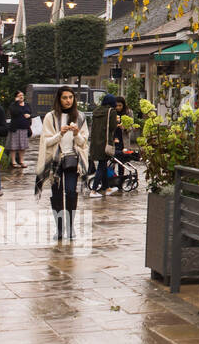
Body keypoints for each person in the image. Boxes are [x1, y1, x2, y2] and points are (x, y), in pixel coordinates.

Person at [35, 87, 89, 241]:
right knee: (57, 194)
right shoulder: (50, 117)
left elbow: (83, 142)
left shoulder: (80, 117)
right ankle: (59, 229)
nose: (68, 100)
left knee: (71, 193)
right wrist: (61, 133)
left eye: (71, 97)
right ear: (59, 99)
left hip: (73, 160)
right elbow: (46, 141)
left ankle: (71, 228)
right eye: (65, 97)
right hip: (55, 162)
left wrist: (77, 133)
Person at [87, 94, 118, 198]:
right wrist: (117, 122)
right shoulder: (111, 112)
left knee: (103, 164)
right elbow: (113, 127)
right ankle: (94, 190)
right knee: (101, 166)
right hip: (105, 142)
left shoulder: (96, 111)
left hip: (95, 142)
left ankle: (107, 188)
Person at [8, 91, 32, 169]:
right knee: (13, 146)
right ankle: (13, 161)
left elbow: (31, 113)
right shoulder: (13, 105)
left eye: (22, 95)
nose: (21, 96)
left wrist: (29, 115)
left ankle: (21, 161)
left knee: (22, 146)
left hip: (24, 128)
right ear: (16, 97)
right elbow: (14, 112)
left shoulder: (27, 104)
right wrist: (16, 103)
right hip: (15, 128)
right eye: (19, 95)